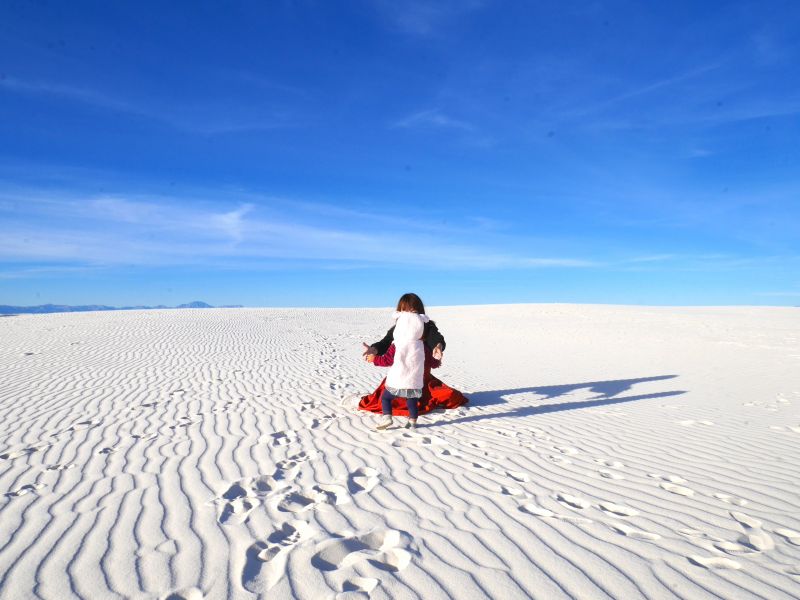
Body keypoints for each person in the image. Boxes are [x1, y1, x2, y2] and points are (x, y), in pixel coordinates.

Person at [360, 293, 467, 427]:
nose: (409, 314)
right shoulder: (398, 327)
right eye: (405, 310)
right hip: (400, 372)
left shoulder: (426, 326)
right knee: (380, 398)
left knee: (449, 397)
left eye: (413, 310)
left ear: (420, 312)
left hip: (422, 375)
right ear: (399, 311)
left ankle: (406, 417)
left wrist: (438, 347)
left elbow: (437, 339)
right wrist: (374, 349)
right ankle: (410, 419)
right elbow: (386, 342)